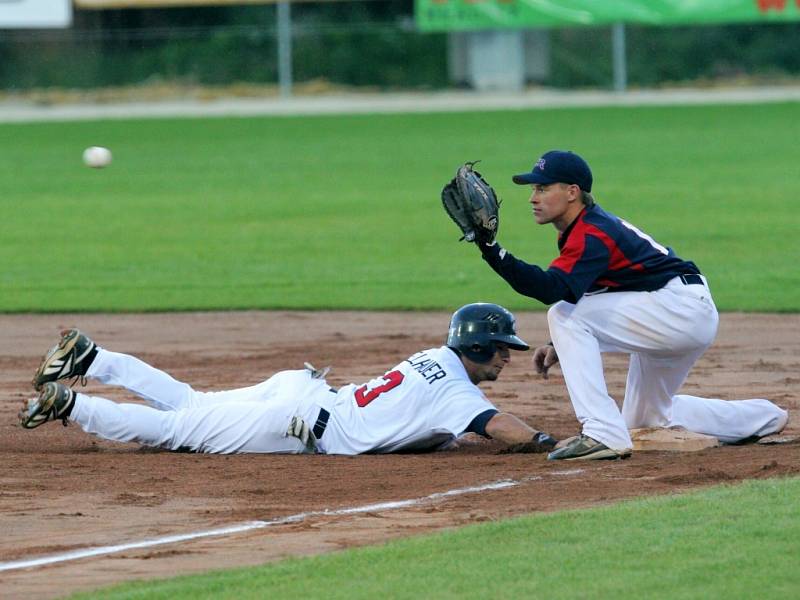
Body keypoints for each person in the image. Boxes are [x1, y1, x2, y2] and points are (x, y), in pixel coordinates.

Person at [475, 149, 788, 461]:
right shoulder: (587, 228)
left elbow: (552, 290)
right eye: (533, 188)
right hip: (676, 311)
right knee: (646, 420)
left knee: (560, 312)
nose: (533, 197)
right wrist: (556, 340)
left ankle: (600, 432)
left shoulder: (592, 232)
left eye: (543, 188)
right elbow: (589, 291)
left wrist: (492, 250)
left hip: (676, 309)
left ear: (572, 192)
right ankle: (764, 417)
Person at [19, 303, 558, 455]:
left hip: (301, 392)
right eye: (503, 350)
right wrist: (544, 441)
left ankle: (93, 358)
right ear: (478, 346)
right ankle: (73, 405)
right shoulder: (456, 392)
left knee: (191, 400)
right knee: (177, 429)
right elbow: (499, 426)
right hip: (296, 421)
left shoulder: (434, 356)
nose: (507, 359)